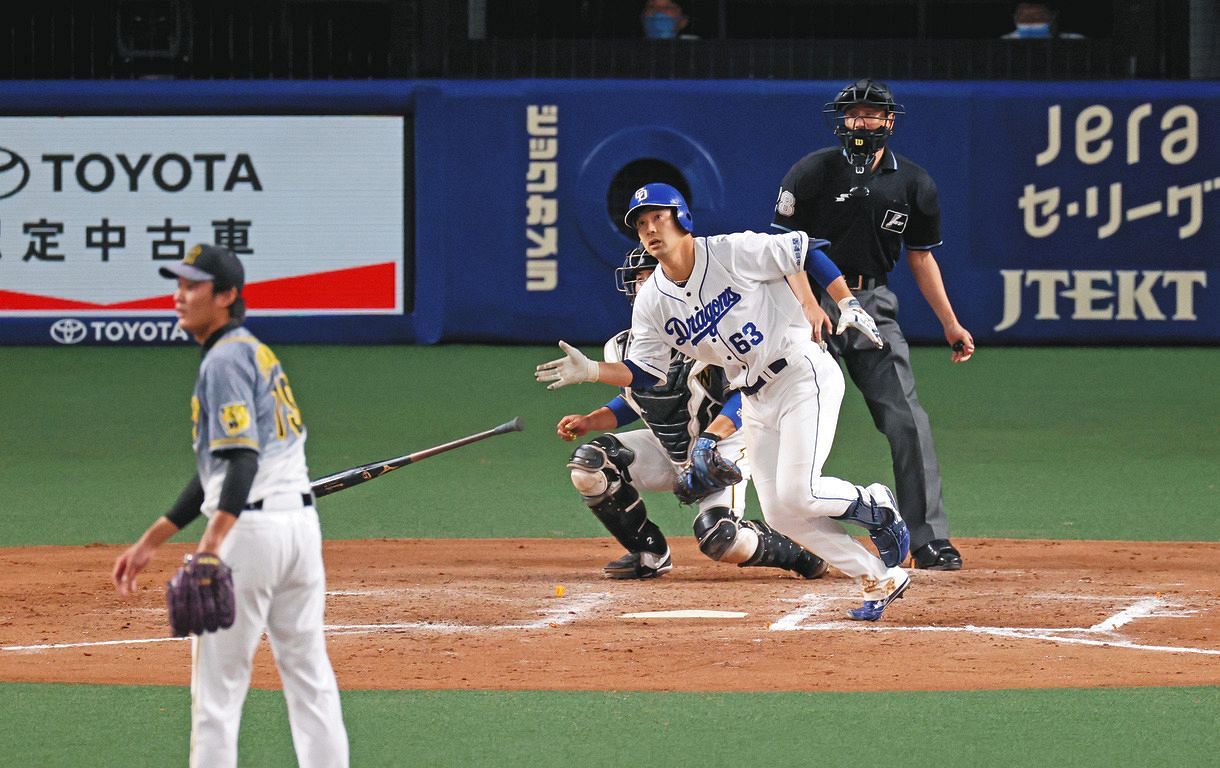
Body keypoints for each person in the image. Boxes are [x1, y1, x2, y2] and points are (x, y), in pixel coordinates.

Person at [537, 183, 912, 622]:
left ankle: (876, 503)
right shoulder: (654, 301)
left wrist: (843, 300)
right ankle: (878, 577)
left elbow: (802, 249)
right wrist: (594, 371)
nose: (650, 229)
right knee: (781, 513)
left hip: (799, 372)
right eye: (641, 223)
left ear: (681, 218)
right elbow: (646, 373)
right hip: (754, 397)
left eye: (658, 217)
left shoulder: (729, 252)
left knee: (801, 492)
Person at [112, 244, 349, 768]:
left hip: (252, 534)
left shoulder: (222, 362)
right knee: (311, 682)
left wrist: (212, 545)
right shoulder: (253, 351)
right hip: (301, 530)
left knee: (216, 700)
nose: (179, 296)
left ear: (226, 296)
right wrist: (153, 540)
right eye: (178, 284)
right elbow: (218, 469)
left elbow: (240, 461)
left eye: (192, 286)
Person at [771, 78, 973, 571]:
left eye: (871, 114)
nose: (862, 122)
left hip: (871, 301)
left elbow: (921, 259)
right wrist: (809, 306)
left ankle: (927, 539)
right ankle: (795, 538)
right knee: (781, 418)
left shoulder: (914, 183)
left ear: (889, 122)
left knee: (906, 419)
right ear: (841, 120)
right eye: (853, 114)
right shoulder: (812, 171)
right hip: (807, 304)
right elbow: (784, 252)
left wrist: (950, 323)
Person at [557, 246, 828, 581]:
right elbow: (634, 400)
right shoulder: (622, 347)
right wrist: (590, 421)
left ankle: (795, 553)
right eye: (639, 279)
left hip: (721, 446)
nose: (644, 285)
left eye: (652, 276)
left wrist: (710, 442)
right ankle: (648, 552)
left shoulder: (712, 337)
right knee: (591, 464)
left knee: (721, 540)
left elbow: (747, 397)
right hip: (668, 448)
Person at [1002, 3, 1084, 39]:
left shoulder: (1075, 41)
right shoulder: (1003, 43)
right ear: (1016, 19)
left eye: (1038, 17)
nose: (1032, 23)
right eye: (1026, 18)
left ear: (1052, 17)